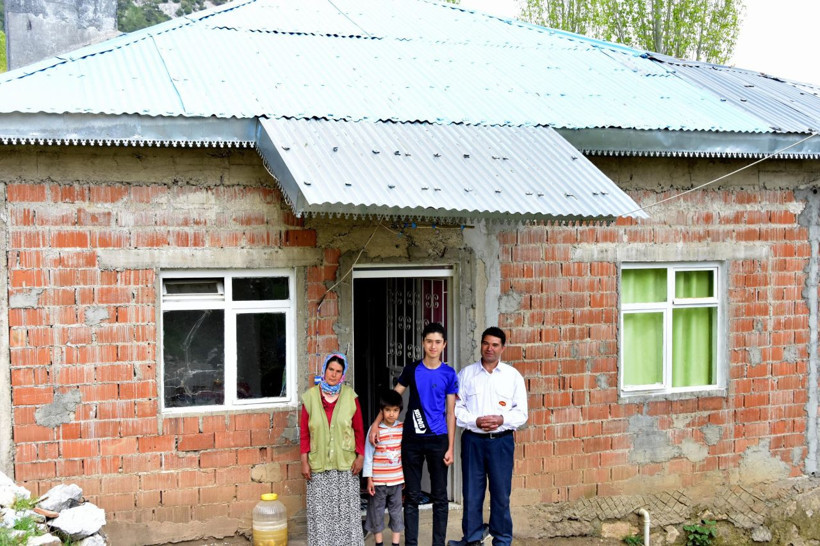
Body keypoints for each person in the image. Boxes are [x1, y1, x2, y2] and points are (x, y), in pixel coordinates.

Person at [370, 321, 458, 546]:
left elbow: (451, 413)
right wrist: (375, 424)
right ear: (422, 343)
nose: (433, 346)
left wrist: (450, 447)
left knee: (440, 497)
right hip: (411, 441)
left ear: (444, 344)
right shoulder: (411, 370)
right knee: (411, 497)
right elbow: (392, 399)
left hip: (438, 440)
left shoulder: (449, 374)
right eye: (429, 341)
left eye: (438, 342)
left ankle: (438, 543)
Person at [448, 327, 528, 546]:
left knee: (501, 494)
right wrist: (475, 421)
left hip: (501, 442)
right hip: (473, 441)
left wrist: (502, 420)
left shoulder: (512, 377)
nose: (489, 348)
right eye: (486, 343)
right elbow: (456, 409)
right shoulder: (466, 374)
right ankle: (472, 538)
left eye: (494, 345)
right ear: (481, 345)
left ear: (502, 348)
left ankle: (502, 539)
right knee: (472, 494)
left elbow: (521, 413)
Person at [300, 353, 365, 546]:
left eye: (338, 371)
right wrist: (304, 461)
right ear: (324, 371)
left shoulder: (350, 397)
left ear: (343, 374)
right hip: (318, 466)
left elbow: (359, 430)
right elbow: (304, 433)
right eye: (330, 370)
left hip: (345, 465)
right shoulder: (310, 397)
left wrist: (360, 456)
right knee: (321, 514)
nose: (333, 375)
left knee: (346, 514)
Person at [363, 389, 405, 546]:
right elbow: (368, 455)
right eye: (387, 410)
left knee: (396, 513)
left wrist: (404, 477)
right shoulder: (375, 430)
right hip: (379, 481)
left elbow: (405, 455)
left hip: (396, 481)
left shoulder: (402, 428)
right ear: (381, 411)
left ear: (400, 410)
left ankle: (395, 543)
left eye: (395, 410)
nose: (391, 414)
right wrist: (369, 479)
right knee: (376, 512)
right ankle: (378, 543)